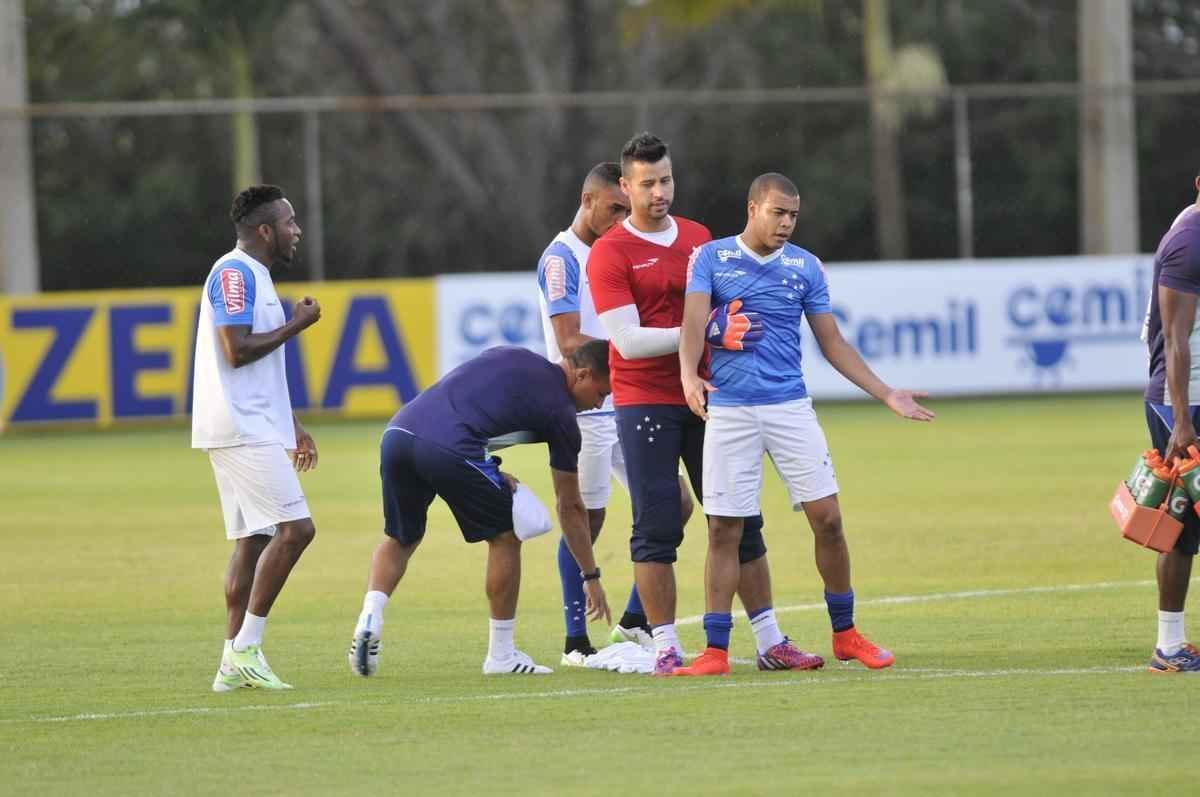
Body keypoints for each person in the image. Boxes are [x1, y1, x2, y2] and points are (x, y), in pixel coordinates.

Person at [675, 172, 934, 676]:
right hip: (730, 410)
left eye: (793, 215)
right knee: (725, 528)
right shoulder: (711, 258)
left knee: (829, 520)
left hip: (790, 408)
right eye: (778, 212)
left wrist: (885, 392)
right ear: (752, 209)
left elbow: (832, 343)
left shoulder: (805, 267)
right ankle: (715, 651)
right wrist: (688, 373)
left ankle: (845, 633)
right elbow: (692, 324)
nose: (787, 223)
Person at [588, 133, 821, 676]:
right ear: (626, 186)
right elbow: (626, 342)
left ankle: (770, 641)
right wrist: (701, 330)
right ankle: (665, 645)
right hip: (645, 399)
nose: (659, 191)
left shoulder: (698, 239)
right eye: (647, 184)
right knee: (656, 524)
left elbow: (729, 311)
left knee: (739, 520)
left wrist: (715, 335)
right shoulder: (610, 252)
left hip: (714, 396)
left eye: (666, 180)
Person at [347, 341, 613, 676]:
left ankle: (369, 617)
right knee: (505, 535)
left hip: (398, 433)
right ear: (583, 374)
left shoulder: (513, 354)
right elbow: (570, 505)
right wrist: (590, 575)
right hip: (449, 447)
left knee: (400, 538)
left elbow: (470, 405)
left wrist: (490, 468)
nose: (597, 405)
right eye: (601, 393)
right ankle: (501, 655)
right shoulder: (561, 413)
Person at [537, 161, 695, 665]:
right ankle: (574, 641)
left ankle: (632, 620)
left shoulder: (620, 248)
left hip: (624, 399)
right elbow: (568, 341)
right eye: (615, 209)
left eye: (627, 208)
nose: (622, 217)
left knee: (676, 502)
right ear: (588, 202)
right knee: (589, 517)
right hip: (584, 408)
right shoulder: (563, 258)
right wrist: (637, 345)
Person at [192, 184, 322, 691]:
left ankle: (230, 662)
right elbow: (236, 350)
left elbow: (262, 370)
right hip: (237, 425)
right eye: (290, 222)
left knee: (256, 538)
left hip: (254, 423)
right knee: (297, 530)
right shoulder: (234, 273)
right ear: (265, 230)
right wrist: (297, 324)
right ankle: (247, 646)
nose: (297, 230)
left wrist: (292, 426)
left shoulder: (259, 277)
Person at [1142, 173, 1200, 673]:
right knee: (1181, 525)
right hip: (1185, 404)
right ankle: (1170, 646)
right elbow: (1177, 341)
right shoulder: (1189, 240)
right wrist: (1182, 421)